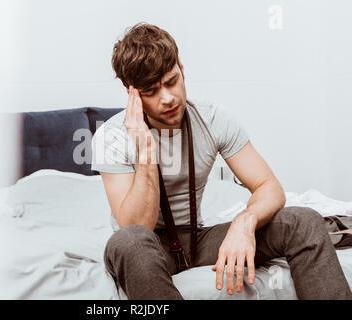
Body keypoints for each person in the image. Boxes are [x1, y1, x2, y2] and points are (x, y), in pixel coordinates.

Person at [90, 22, 352, 300]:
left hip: (197, 240)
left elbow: (268, 186)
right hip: (145, 246)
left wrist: (245, 222)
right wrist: (145, 150)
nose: (167, 98)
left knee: (303, 220)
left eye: (171, 81)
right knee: (129, 240)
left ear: (181, 66)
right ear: (132, 93)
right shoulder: (112, 136)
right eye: (151, 91)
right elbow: (137, 227)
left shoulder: (213, 118)